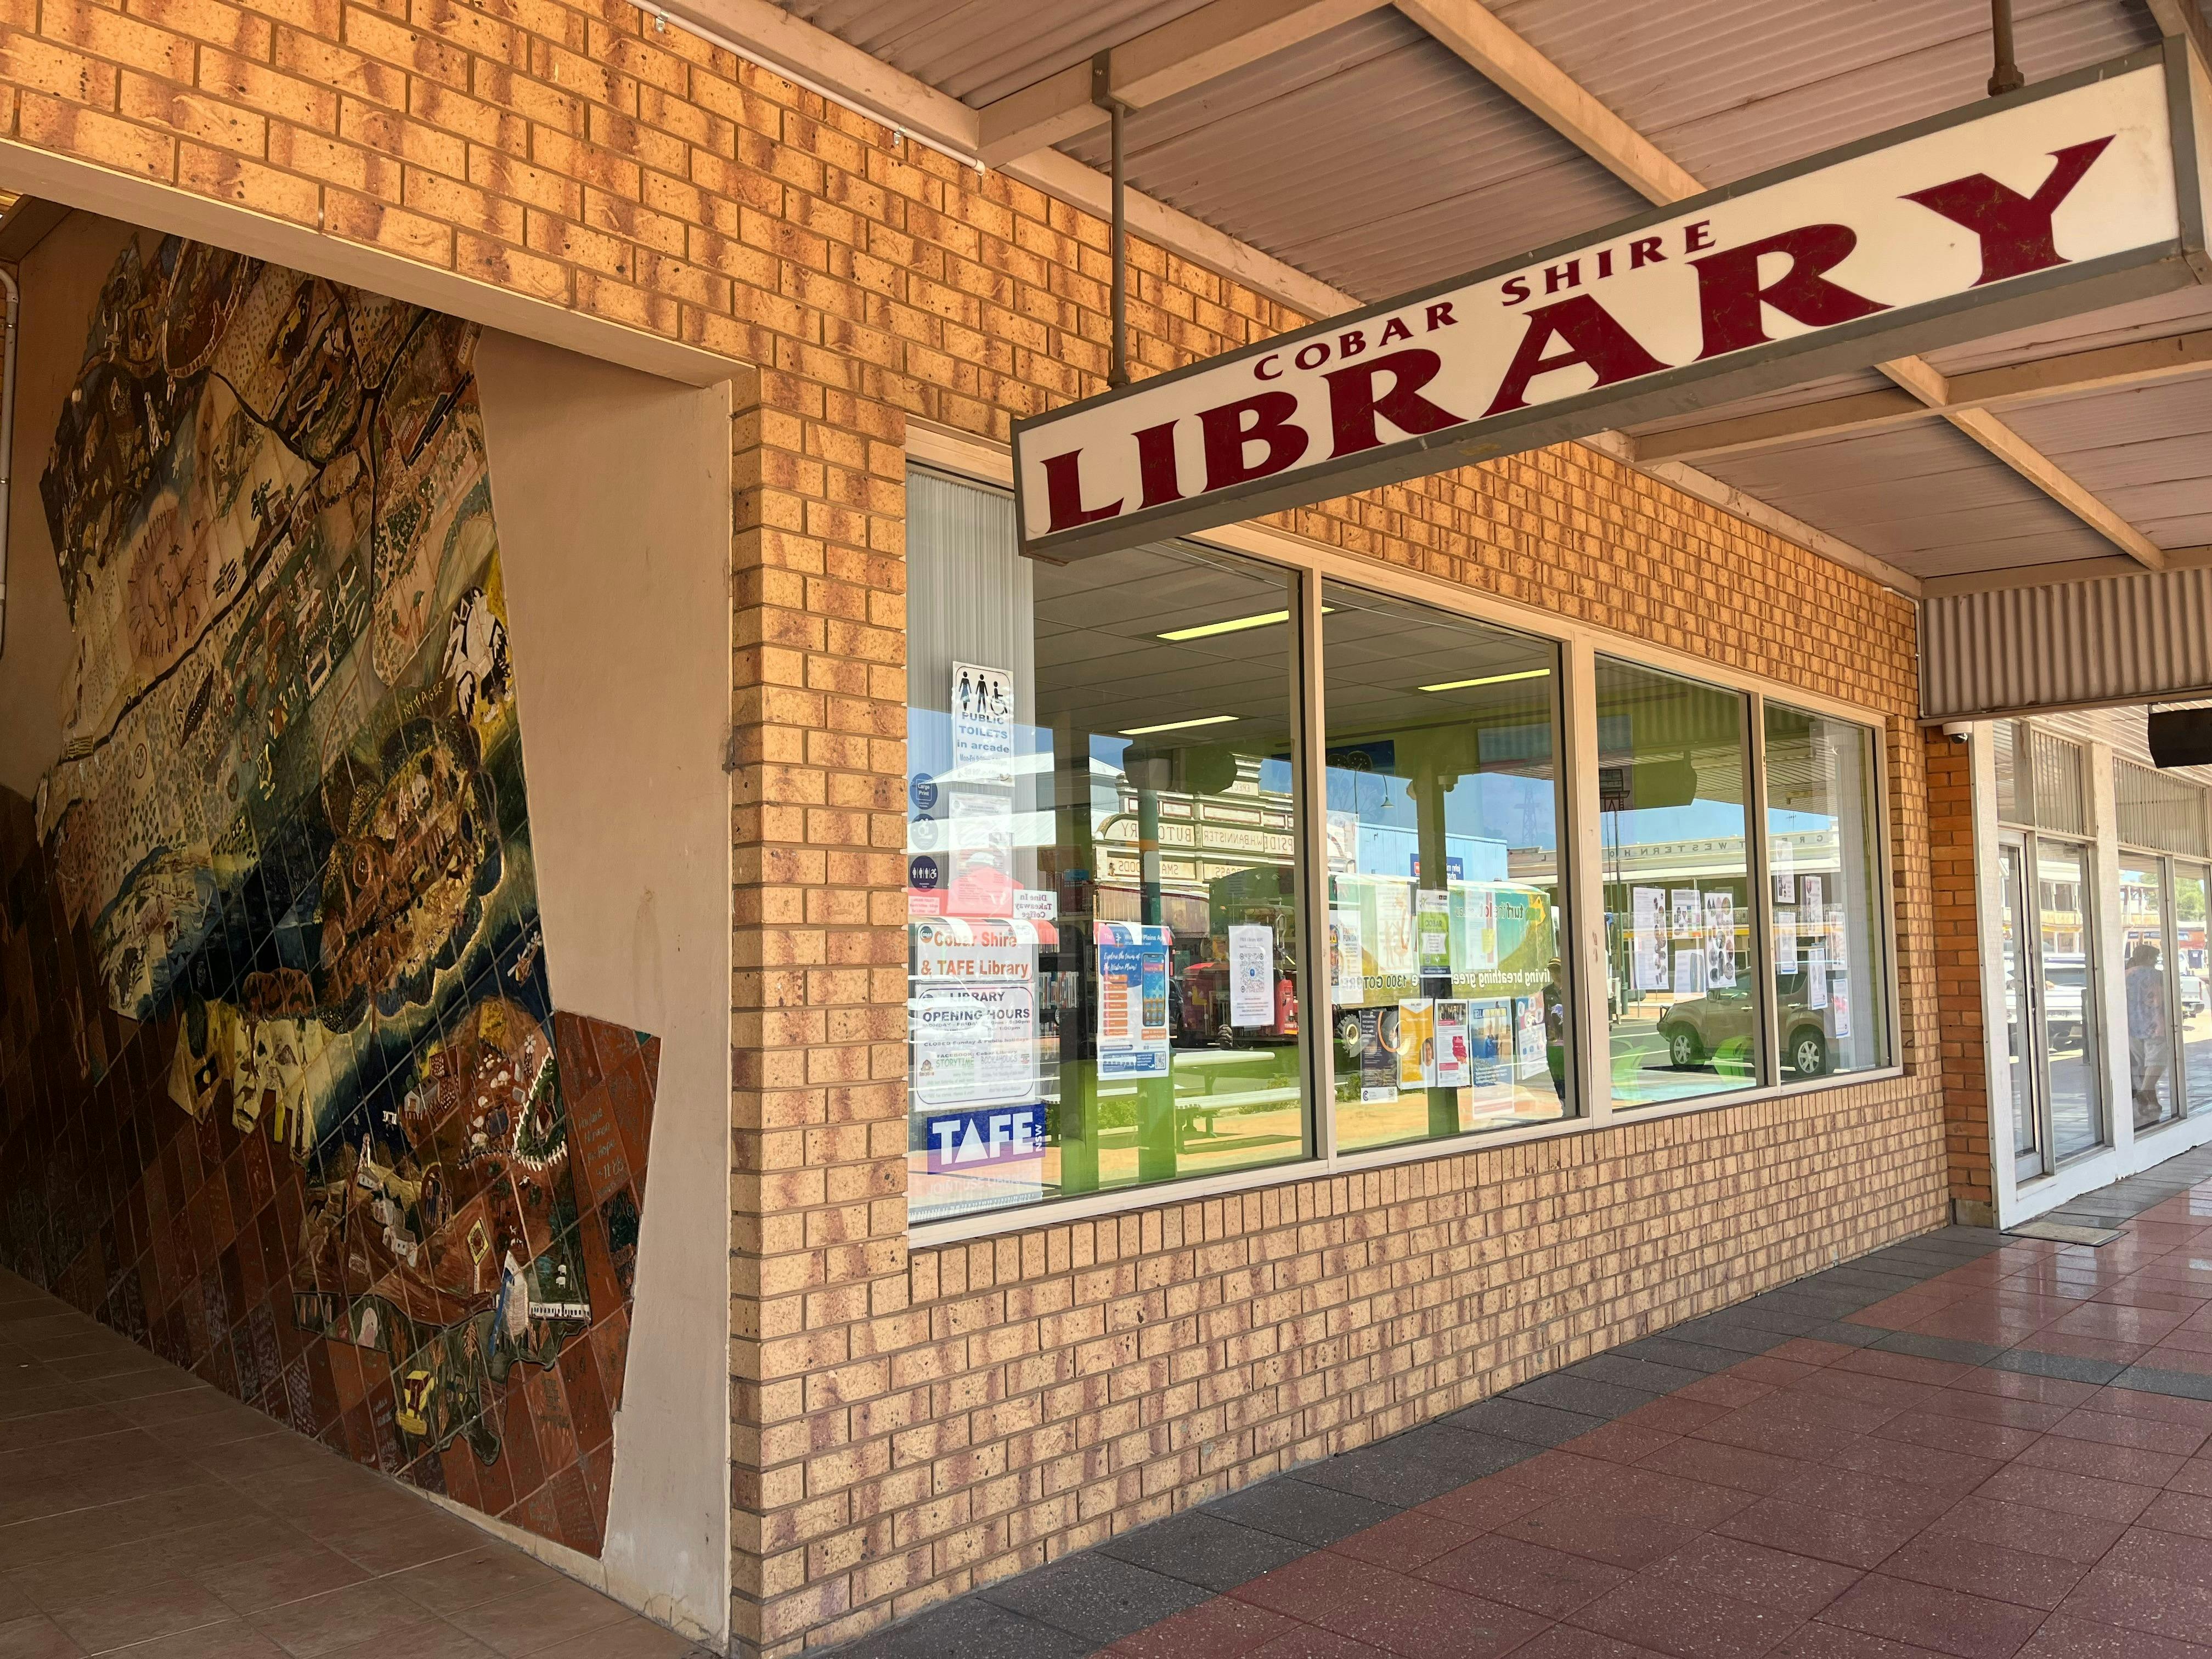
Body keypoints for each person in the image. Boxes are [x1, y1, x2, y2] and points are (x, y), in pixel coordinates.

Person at [2128, 940, 2171, 1130]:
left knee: (2143, 1062)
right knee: (2157, 1061)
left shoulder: (2124, 976)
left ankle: (2149, 1099)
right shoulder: (2157, 976)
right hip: (2155, 1025)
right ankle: (2146, 1092)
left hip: (2130, 1026)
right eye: (2155, 957)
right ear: (2147, 958)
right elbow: (2165, 999)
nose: (2156, 960)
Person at [1543, 958, 1568, 1102]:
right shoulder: (1547, 992)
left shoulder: (1572, 989)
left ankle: (1571, 1103)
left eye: (1557, 970)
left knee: (1569, 1076)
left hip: (1569, 1042)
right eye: (1552, 970)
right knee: (1556, 1078)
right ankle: (1563, 1103)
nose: (1554, 973)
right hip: (1553, 1043)